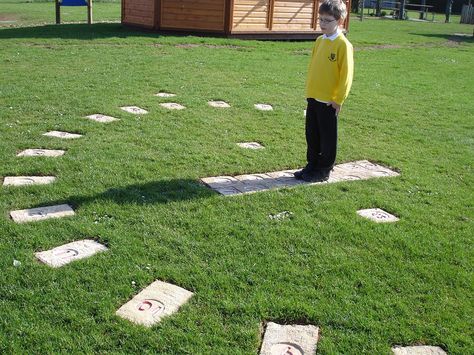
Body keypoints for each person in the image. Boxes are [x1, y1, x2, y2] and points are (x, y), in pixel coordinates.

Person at [294, 0, 354, 182]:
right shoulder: (320, 41)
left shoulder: (343, 45)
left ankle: (323, 169)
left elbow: (346, 75)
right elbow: (315, 67)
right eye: (320, 19)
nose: (322, 24)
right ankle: (311, 164)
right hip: (313, 96)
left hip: (329, 101)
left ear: (340, 21)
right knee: (312, 134)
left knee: (327, 138)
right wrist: (309, 91)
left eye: (327, 20)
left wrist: (338, 99)